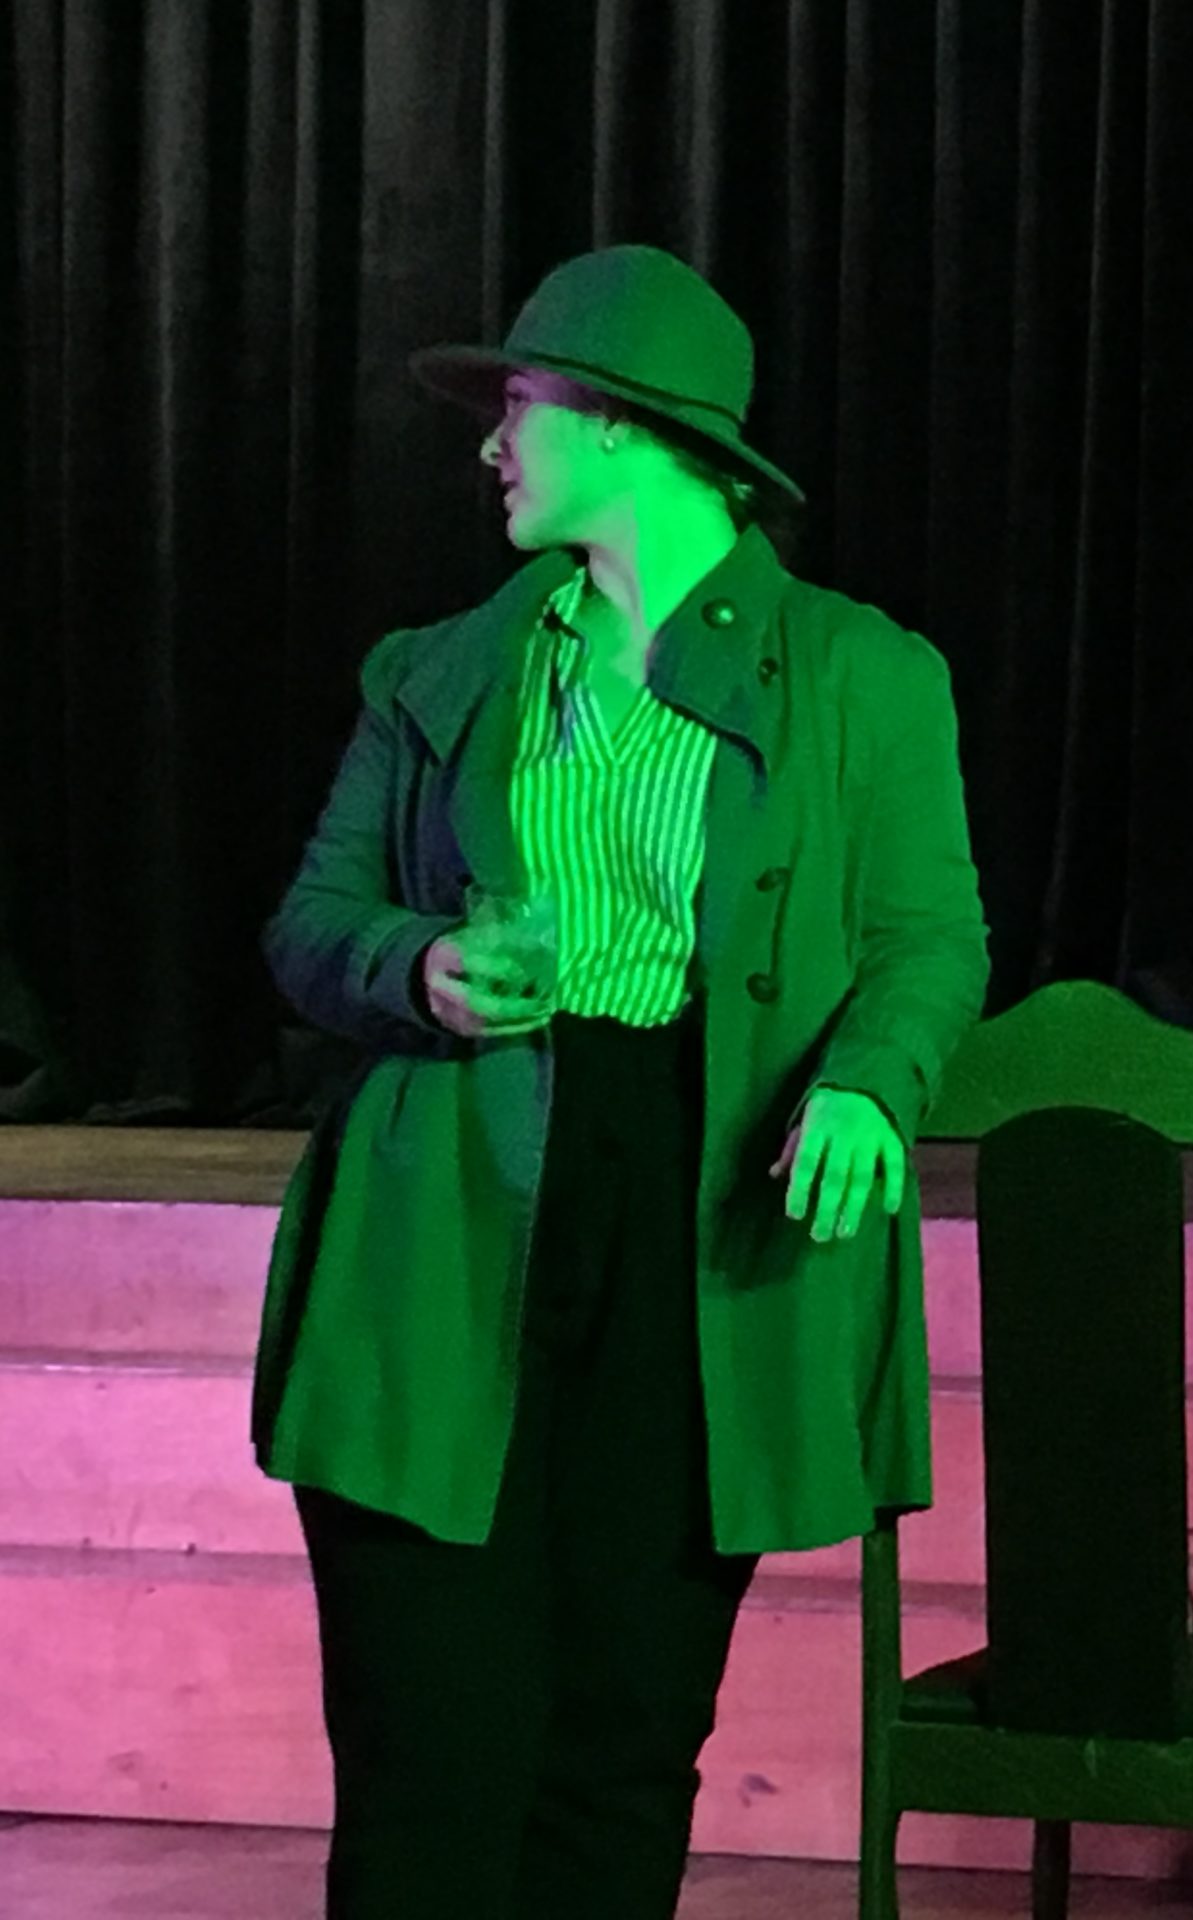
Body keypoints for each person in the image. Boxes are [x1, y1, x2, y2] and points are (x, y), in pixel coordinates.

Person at [254, 244, 990, 1918]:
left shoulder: (861, 675)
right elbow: (310, 922)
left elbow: (928, 937)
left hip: (697, 1209)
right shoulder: (443, 669)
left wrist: (869, 1083)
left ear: (620, 422)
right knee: (430, 1745)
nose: (492, 445)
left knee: (622, 1736)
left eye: (518, 406)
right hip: (454, 1205)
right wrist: (417, 966)